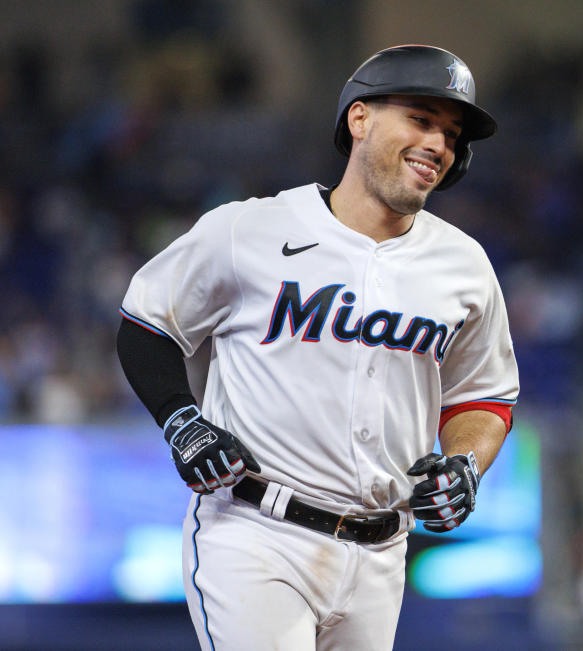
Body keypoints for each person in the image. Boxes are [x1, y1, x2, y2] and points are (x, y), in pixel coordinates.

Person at [116, 44, 519, 651]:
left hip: (382, 554)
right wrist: (183, 421)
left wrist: (466, 462)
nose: (439, 144)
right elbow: (147, 323)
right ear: (359, 119)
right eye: (421, 119)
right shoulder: (250, 229)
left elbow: (484, 395)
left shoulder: (463, 265)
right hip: (257, 533)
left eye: (451, 132)